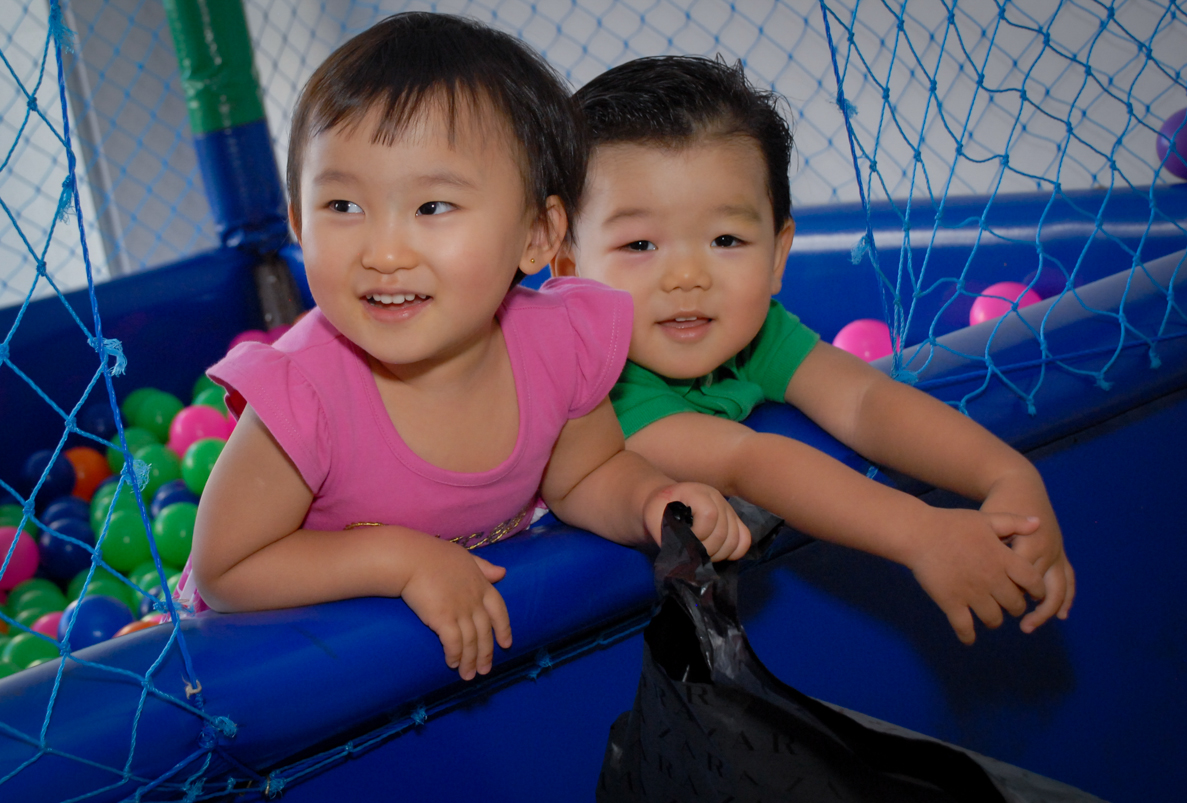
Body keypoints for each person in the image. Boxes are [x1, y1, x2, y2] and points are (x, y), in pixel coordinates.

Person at [181, 18, 750, 682]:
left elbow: (586, 477)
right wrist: (404, 562)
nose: (384, 252)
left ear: (538, 235)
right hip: (285, 684)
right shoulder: (305, 394)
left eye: (432, 207)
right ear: (299, 225)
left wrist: (653, 502)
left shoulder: (555, 345)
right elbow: (225, 570)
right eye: (342, 204)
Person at [552, 55, 1075, 645]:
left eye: (726, 239)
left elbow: (864, 399)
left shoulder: (752, 330)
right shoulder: (588, 378)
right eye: (640, 243)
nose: (686, 276)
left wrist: (1006, 472)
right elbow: (748, 462)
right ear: (568, 270)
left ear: (778, 255)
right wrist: (921, 534)